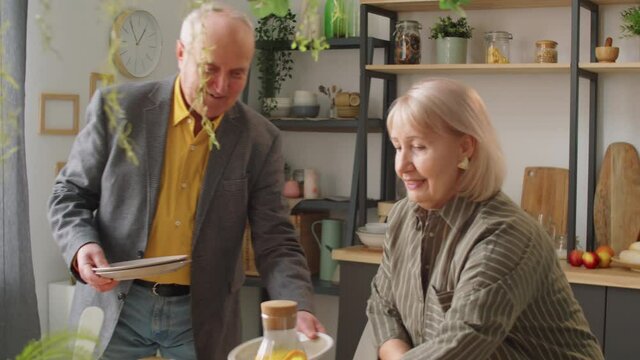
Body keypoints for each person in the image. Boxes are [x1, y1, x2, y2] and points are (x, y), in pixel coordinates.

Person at [48, 3, 324, 359]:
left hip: (201, 315)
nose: (222, 87)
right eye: (209, 69)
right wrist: (82, 246)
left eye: (237, 74)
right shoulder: (117, 109)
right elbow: (68, 194)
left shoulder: (260, 139)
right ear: (181, 54)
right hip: (116, 305)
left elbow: (276, 238)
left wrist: (299, 305)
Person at [366, 78, 603, 359]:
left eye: (418, 147)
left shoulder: (504, 234)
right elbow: (383, 307)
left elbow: (460, 344)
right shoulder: (402, 216)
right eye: (397, 147)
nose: (402, 166)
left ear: (465, 147)